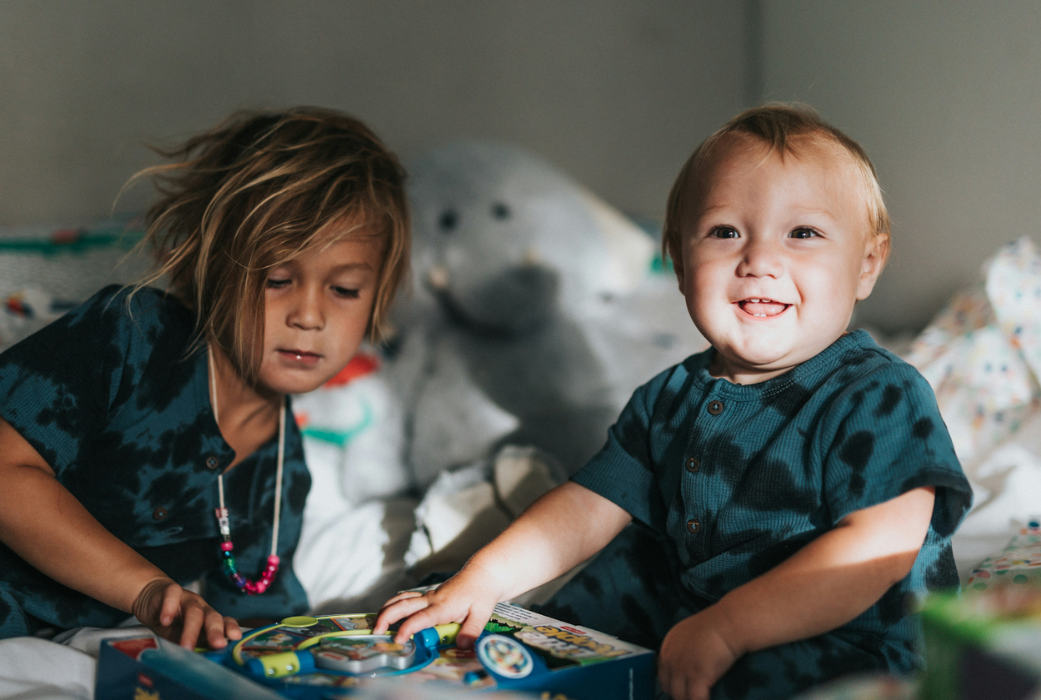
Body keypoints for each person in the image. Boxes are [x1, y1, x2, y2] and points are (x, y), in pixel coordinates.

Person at [375, 105, 972, 700]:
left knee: (753, 681)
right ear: (681, 264)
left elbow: (878, 550)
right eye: (725, 232)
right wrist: (482, 579)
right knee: (608, 573)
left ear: (866, 264)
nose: (760, 260)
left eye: (803, 233)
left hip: (855, 636)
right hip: (695, 601)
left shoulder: (880, 394)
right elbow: (587, 506)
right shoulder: (670, 396)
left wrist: (730, 628)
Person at [0, 107, 410, 671]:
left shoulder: (281, 472)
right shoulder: (132, 332)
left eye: (344, 289)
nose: (309, 315)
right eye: (277, 280)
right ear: (212, 267)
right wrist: (146, 591)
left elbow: (258, 627)